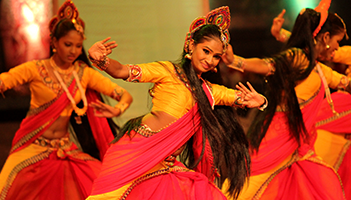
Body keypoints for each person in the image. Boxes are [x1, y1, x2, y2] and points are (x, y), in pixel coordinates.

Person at [85, 6, 267, 200]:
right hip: (137, 150)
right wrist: (102, 61)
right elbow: (122, 71)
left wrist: (261, 100)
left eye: (216, 56)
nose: (210, 60)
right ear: (190, 45)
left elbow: (237, 97)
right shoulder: (166, 71)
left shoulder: (210, 91)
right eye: (206, 51)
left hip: (168, 163)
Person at [222, 1, 351, 199]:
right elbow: (268, 65)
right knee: (251, 188)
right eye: (338, 41)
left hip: (299, 145)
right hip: (277, 139)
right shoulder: (299, 58)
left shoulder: (319, 69)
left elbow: (347, 83)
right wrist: (235, 61)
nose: (338, 47)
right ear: (325, 38)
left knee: (314, 188)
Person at [0, 1, 133, 199]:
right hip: (33, 145)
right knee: (5, 186)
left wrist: (118, 109)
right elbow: (4, 80)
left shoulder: (83, 73)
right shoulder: (35, 69)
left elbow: (124, 95)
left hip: (65, 149)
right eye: (67, 44)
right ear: (54, 43)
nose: (73, 51)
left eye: (78, 46)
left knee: (104, 186)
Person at [272, 6, 351, 199]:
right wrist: (282, 34)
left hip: (350, 137)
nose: (338, 45)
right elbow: (325, 49)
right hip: (321, 125)